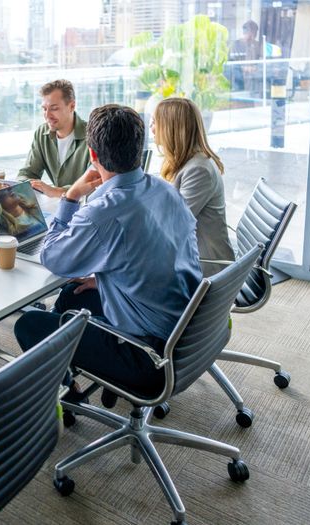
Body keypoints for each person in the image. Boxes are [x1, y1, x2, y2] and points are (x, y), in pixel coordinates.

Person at [14, 104, 202, 402]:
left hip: (148, 355)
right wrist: (104, 281)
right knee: (70, 296)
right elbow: (161, 256)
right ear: (140, 148)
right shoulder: (165, 191)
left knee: (29, 324)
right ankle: (84, 375)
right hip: (187, 333)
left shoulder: (103, 213)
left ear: (92, 155)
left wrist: (71, 196)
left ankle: (71, 397)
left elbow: (53, 258)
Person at [151, 97, 235, 276]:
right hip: (188, 254)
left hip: (206, 266)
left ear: (170, 127)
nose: (151, 128)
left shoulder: (199, 170)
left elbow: (173, 222)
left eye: (155, 122)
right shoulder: (184, 161)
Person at [17, 79, 92, 198]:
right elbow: (29, 172)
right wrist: (19, 185)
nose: (47, 115)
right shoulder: (41, 133)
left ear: (72, 106)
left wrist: (53, 191)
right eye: (44, 109)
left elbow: (94, 185)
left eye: (54, 108)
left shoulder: (93, 137)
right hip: (57, 205)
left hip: (85, 207)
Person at [229, 20, 262, 93]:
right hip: (238, 79)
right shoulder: (236, 45)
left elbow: (262, 60)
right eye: (250, 33)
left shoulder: (258, 45)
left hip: (253, 80)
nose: (252, 37)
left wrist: (256, 67)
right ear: (244, 33)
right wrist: (243, 68)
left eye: (254, 34)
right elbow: (232, 62)